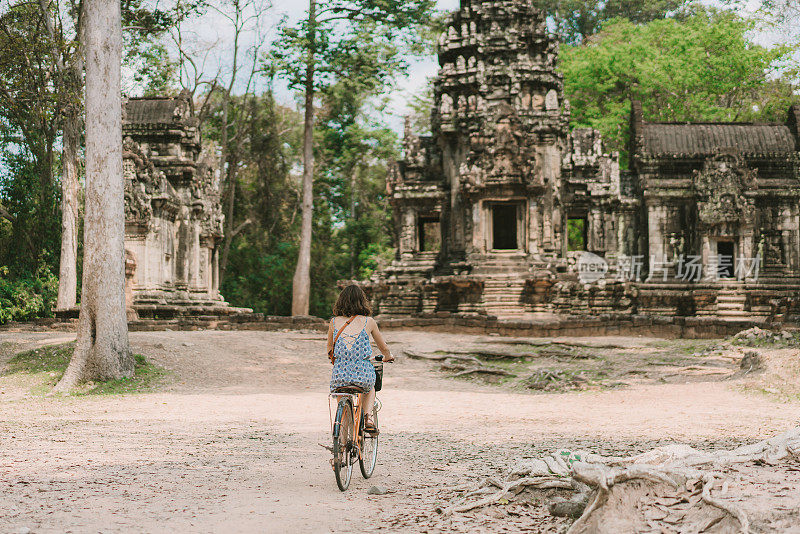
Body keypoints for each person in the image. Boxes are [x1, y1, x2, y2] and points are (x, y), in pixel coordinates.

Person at [328, 284, 394, 431]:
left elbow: (329, 349)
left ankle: (341, 445)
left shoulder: (333, 322)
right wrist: (388, 356)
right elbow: (383, 347)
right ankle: (368, 416)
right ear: (362, 301)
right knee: (370, 386)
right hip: (363, 375)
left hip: (340, 375)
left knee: (344, 408)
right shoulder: (369, 321)